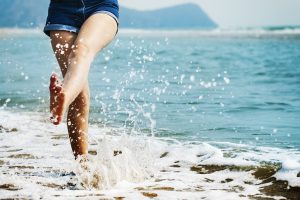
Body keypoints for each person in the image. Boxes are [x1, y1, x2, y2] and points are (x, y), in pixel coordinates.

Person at [44, 0, 119, 159]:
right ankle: (82, 167)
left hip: (101, 7)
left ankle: (63, 98)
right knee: (79, 95)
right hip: (62, 12)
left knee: (81, 50)